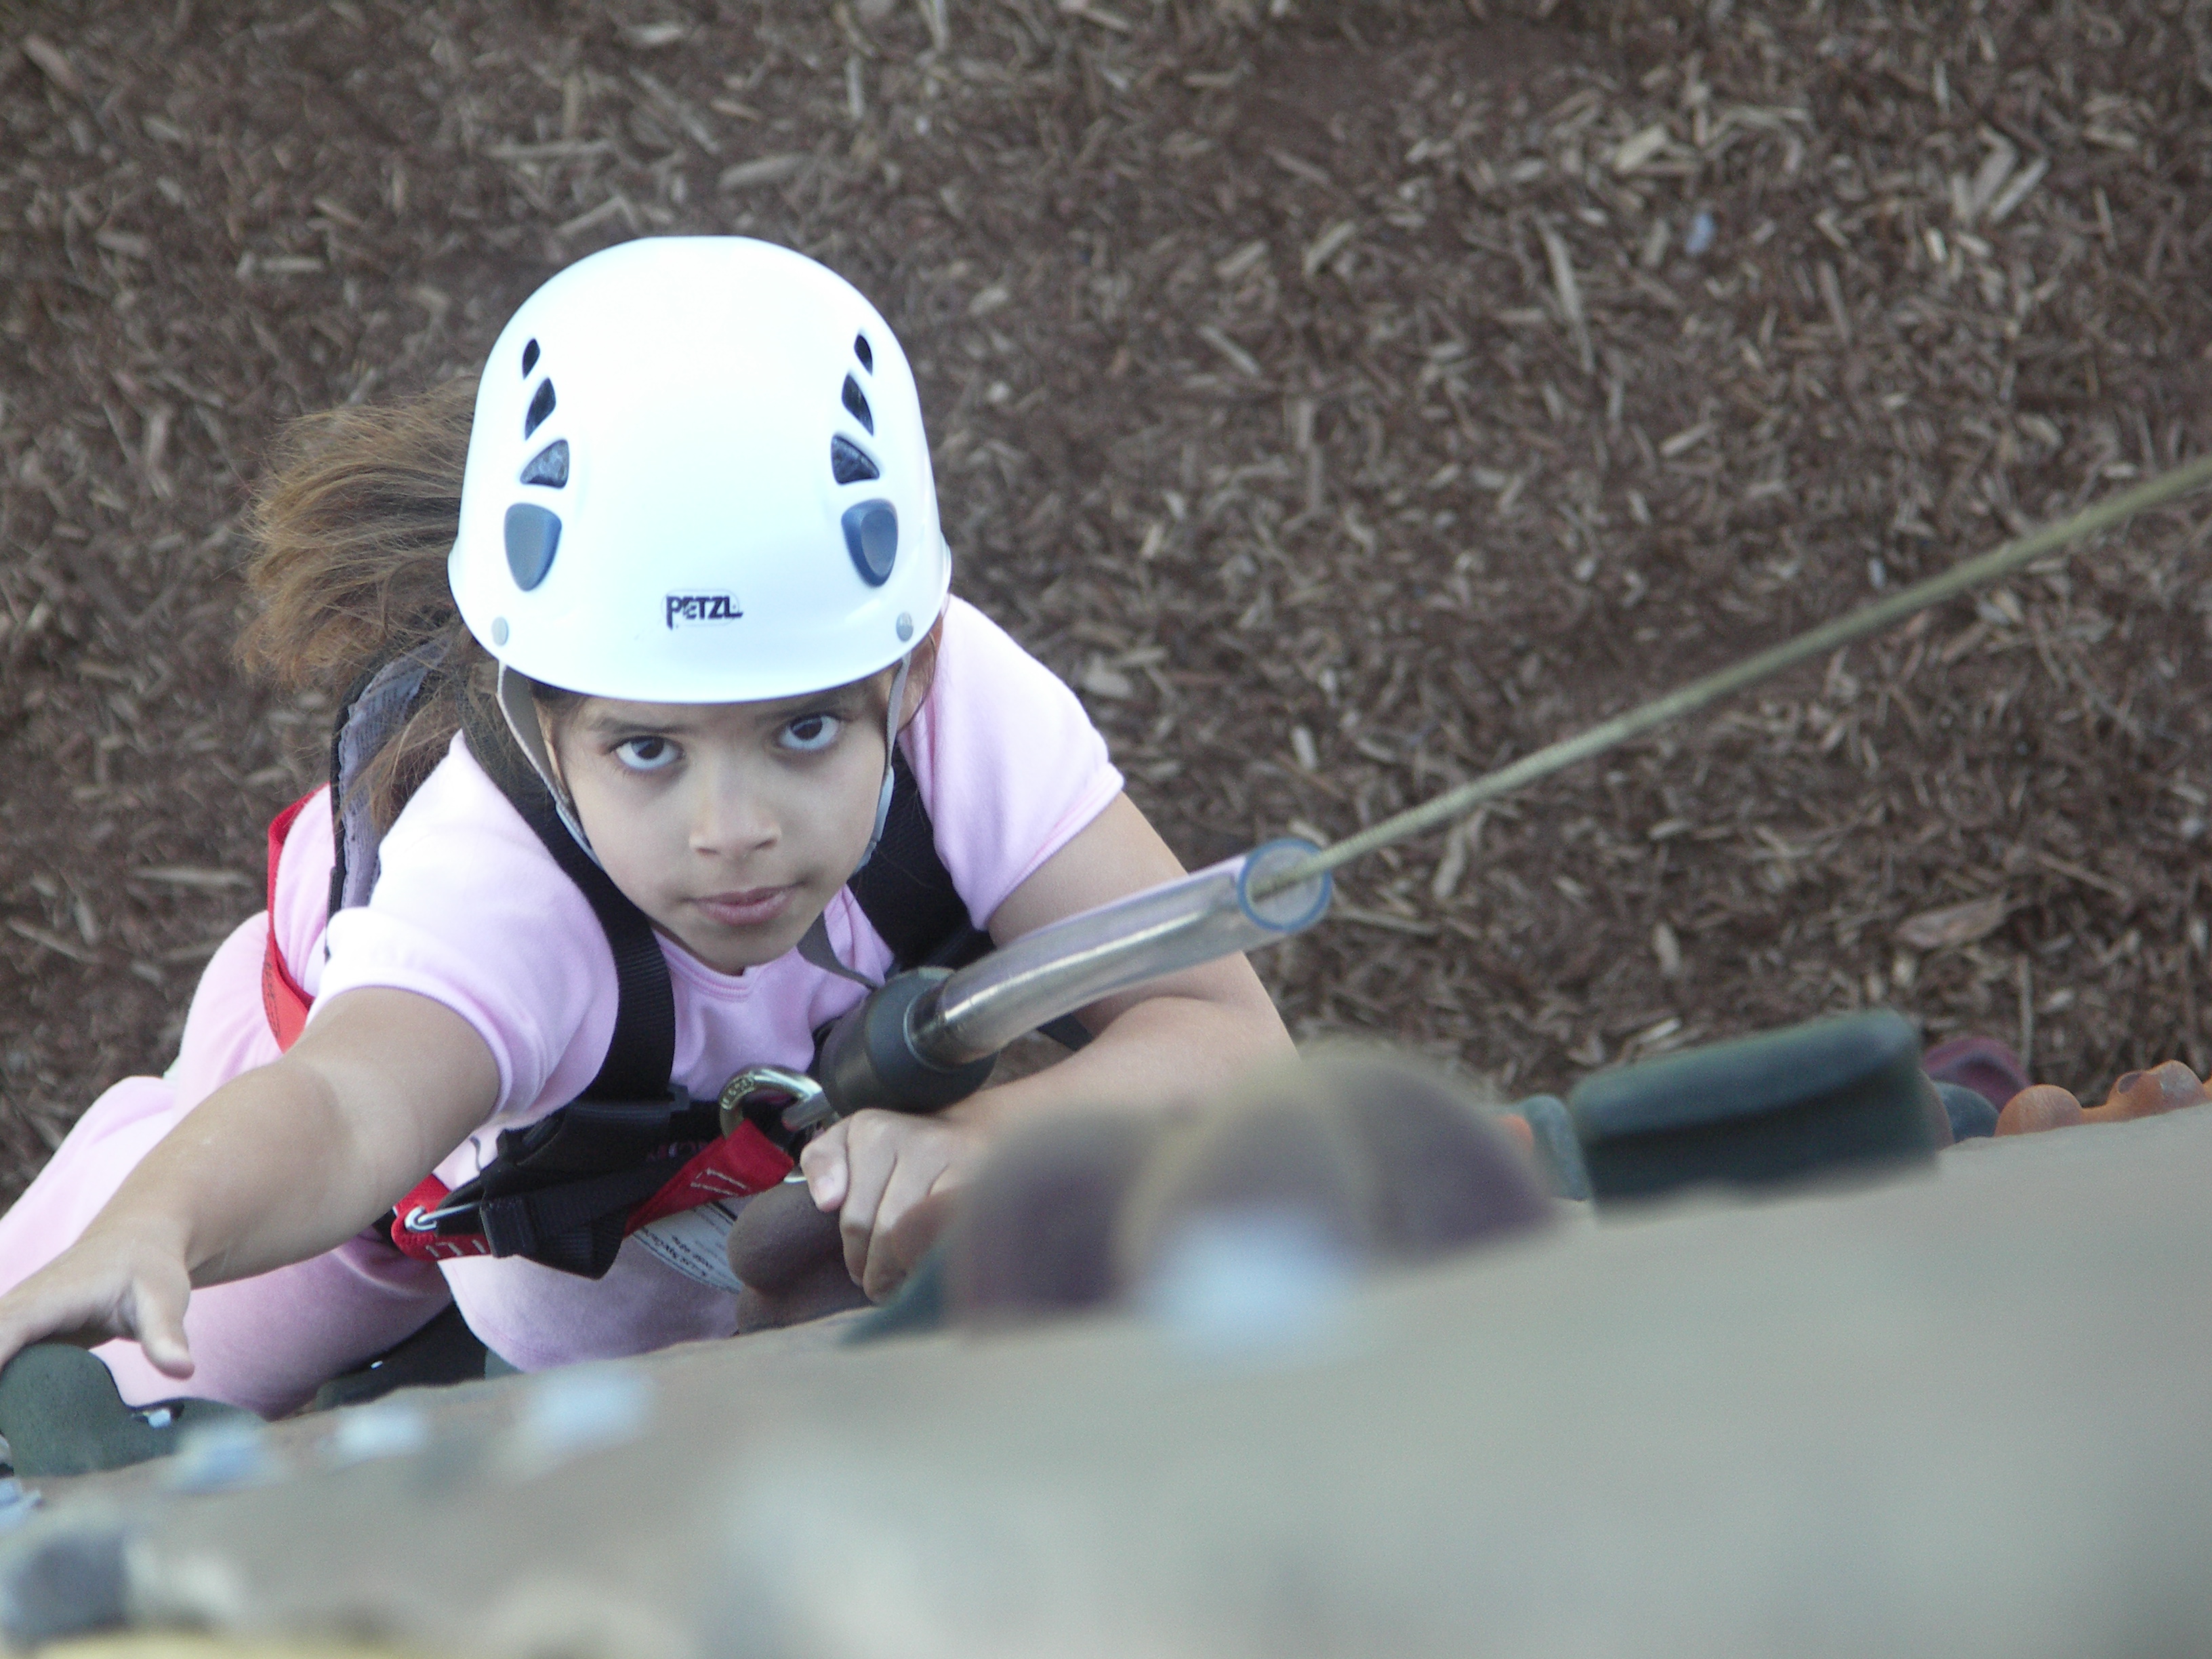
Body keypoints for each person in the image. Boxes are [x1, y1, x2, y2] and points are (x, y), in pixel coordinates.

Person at [0, 238, 1293, 1417]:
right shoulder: (496, 884)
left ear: (914, 674)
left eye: (802, 731)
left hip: (685, 1216)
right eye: (649, 750)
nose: (731, 832)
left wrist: (987, 1144)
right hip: (386, 1198)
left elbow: (1227, 1035)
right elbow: (342, 1108)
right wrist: (162, 1220)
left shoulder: (961, 714)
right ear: (538, 721)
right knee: (88, 1383)